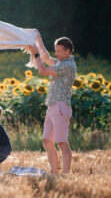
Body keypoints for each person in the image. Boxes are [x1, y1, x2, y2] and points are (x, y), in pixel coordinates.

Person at [25, 30, 76, 174]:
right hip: (53, 106)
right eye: (56, 50)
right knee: (47, 141)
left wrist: (35, 53)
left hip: (60, 106)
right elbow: (46, 57)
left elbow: (42, 70)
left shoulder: (67, 66)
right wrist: (38, 37)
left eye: (59, 51)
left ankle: (65, 174)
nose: (57, 53)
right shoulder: (61, 62)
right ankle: (54, 173)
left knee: (62, 143)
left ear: (68, 51)